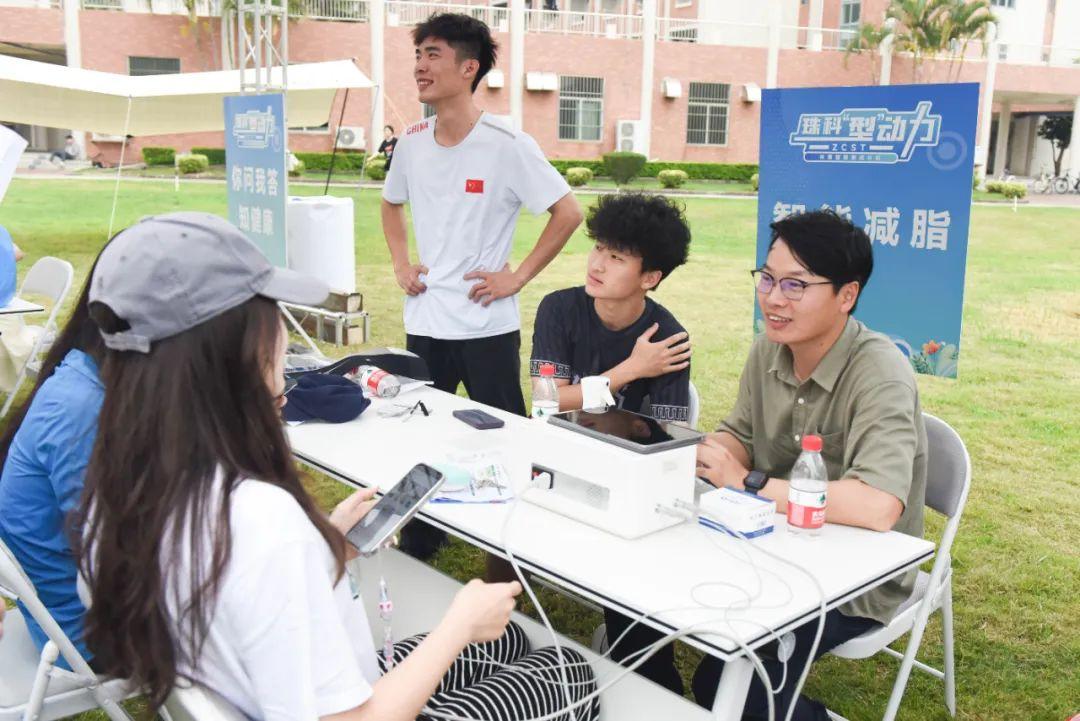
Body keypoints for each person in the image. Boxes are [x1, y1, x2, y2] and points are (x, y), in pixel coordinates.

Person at [78, 212, 599, 721]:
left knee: (509, 637)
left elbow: (236, 599)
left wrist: (325, 546)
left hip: (287, 687)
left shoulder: (120, 486)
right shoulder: (262, 521)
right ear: (237, 352)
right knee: (567, 671)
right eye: (272, 316)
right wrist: (457, 627)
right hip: (361, 706)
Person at [692, 210, 927, 720]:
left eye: (796, 285)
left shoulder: (880, 372)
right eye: (768, 278)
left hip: (853, 582)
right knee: (666, 606)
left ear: (847, 295)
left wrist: (746, 481)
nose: (774, 298)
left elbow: (878, 506)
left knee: (728, 686)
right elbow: (741, 435)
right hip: (772, 550)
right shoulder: (768, 350)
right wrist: (709, 453)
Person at [382, 12, 582, 560]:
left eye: (433, 54)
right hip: (426, 320)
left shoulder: (507, 143)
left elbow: (567, 212)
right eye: (418, 54)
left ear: (469, 68)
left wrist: (517, 276)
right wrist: (401, 264)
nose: (420, 65)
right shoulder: (412, 142)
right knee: (421, 435)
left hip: (485, 324)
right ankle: (421, 538)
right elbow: (390, 204)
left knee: (504, 439)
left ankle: (514, 548)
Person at [0, 246, 107, 664]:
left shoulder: (81, 373)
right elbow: (119, 566)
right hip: (88, 637)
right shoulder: (84, 410)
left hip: (64, 618)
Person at [530, 193, 692, 422]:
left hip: (617, 444)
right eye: (598, 247)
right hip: (548, 436)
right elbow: (546, 402)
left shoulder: (667, 341)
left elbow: (671, 431)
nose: (596, 266)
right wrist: (633, 368)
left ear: (650, 278)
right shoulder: (559, 308)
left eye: (616, 257)